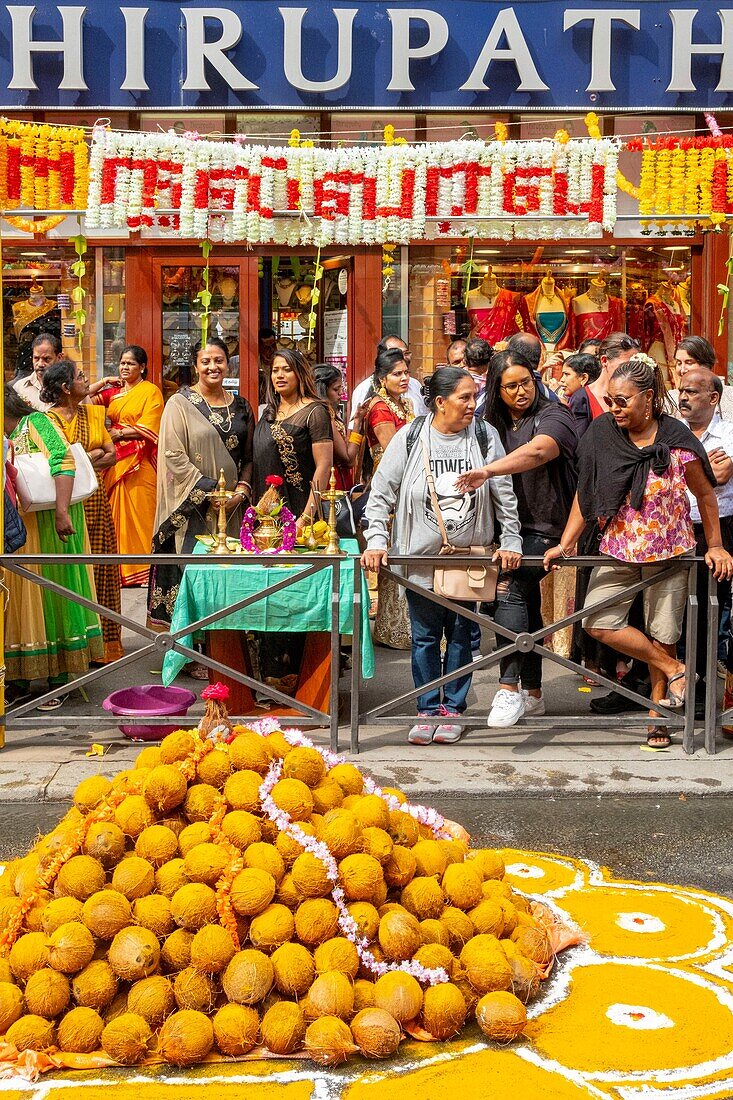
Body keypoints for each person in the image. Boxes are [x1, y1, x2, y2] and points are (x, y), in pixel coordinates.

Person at [544, 354, 733, 748]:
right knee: (597, 620)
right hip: (618, 550)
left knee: (664, 633)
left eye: (623, 400)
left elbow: (705, 495)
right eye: (611, 399)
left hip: (671, 553)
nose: (615, 408)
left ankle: (658, 714)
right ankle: (675, 669)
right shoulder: (601, 433)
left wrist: (715, 546)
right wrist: (565, 542)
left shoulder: (678, 437)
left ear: (648, 399)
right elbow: (587, 494)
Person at [363, 367, 522, 744]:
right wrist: (376, 539)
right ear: (439, 402)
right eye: (464, 398)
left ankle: (452, 708)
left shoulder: (484, 435)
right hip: (419, 560)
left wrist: (511, 539)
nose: (472, 405)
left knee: (463, 635)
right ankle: (426, 709)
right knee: (425, 637)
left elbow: (505, 494)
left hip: (469, 560)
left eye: (473, 397)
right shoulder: (412, 436)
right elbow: (381, 491)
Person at [456, 348, 579, 727]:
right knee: (513, 604)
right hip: (498, 527)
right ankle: (534, 693)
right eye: (510, 386)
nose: (521, 391)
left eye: (526, 382)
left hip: (547, 526)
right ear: (496, 388)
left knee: (510, 588)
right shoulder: (486, 421)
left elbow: (540, 451)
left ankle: (508, 689)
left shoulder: (554, 413)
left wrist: (488, 471)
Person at [4, 385, 103, 709]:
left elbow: (63, 461)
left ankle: (59, 678)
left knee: (51, 595)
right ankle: (19, 678)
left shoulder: (36, 422)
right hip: (23, 528)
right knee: (21, 603)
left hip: (49, 525)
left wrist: (61, 512)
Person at [148, 338, 254, 633]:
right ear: (195, 366)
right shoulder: (179, 404)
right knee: (192, 576)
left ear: (228, 363)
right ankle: (189, 647)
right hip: (192, 505)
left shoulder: (242, 406)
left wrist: (241, 491)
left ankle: (226, 646)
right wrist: (211, 492)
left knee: (227, 577)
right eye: (205, 361)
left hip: (232, 509)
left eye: (219, 360)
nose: (213, 367)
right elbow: (172, 455)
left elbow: (249, 456)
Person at [45, 361, 122, 665]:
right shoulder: (47, 420)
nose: (85, 380)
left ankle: (104, 645)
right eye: (79, 377)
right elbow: (56, 461)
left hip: (95, 501)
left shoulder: (93, 413)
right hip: (66, 504)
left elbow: (112, 454)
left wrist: (78, 458)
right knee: (73, 573)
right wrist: (90, 456)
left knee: (101, 568)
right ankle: (73, 645)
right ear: (65, 388)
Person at [677, 368, 733, 716]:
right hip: (672, 530)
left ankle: (701, 691)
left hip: (716, 532)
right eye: (681, 390)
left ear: (713, 398)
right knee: (673, 613)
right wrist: (706, 473)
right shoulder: (669, 432)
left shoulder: (727, 435)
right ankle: (667, 684)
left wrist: (702, 476)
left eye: (692, 392)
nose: (683, 397)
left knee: (708, 612)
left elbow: (721, 478)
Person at [89, 345, 164, 587]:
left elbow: (152, 425)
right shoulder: (114, 393)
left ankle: (144, 570)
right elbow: (83, 398)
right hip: (115, 461)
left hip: (139, 461)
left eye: (131, 363)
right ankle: (119, 571)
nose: (124, 367)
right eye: (122, 363)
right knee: (115, 516)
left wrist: (119, 434)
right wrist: (102, 382)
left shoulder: (151, 392)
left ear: (142, 367)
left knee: (142, 515)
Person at [362, 347, 416, 649]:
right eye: (397, 374)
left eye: (406, 372)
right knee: (393, 553)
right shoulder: (380, 408)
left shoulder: (404, 404)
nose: (404, 378)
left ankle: (404, 627)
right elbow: (393, 448)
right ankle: (393, 629)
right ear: (383, 378)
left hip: (408, 486)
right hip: (392, 487)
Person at [253, 347, 333, 524]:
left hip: (300, 512)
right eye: (275, 371)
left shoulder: (315, 412)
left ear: (299, 374)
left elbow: (324, 466)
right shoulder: (269, 412)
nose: (280, 375)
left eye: (287, 369)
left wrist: (305, 518)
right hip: (264, 515)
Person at [313, 363, 368, 491]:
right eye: (336, 389)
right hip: (332, 484)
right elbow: (348, 459)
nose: (340, 394)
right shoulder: (324, 415)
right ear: (322, 390)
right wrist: (357, 423)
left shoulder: (328, 413)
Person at [350, 335, 428, 423]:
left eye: (406, 353)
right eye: (395, 355)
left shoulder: (415, 384)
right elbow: (356, 427)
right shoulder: (364, 389)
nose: (402, 358)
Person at [669, 336, 733, 420]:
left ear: (705, 364)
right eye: (679, 363)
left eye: (689, 363)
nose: (682, 370)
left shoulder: (730, 396)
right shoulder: (669, 399)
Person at [587, 332, 640, 416]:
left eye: (634, 366)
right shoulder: (583, 399)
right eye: (624, 366)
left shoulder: (637, 396)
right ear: (604, 360)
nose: (630, 372)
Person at [12, 333, 62, 412]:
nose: (40, 364)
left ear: (59, 358)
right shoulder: (19, 388)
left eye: (46, 359)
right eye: (36, 358)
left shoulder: (70, 388)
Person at [506, 332, 558, 402]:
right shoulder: (552, 397)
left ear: (511, 357)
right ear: (540, 358)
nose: (521, 392)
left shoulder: (499, 393)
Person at [561, 352, 602, 438]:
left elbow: (577, 438)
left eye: (567, 374)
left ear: (583, 378)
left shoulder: (580, 397)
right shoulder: (600, 392)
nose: (562, 379)